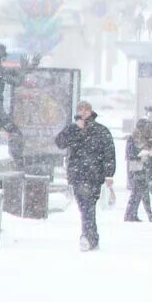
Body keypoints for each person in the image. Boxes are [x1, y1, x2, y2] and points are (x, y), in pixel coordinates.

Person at [54, 101, 116, 251]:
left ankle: (87, 237)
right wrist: (74, 128)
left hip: (94, 174)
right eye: (80, 110)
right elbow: (60, 143)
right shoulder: (73, 129)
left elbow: (109, 153)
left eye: (86, 110)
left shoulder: (101, 130)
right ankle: (91, 237)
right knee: (85, 207)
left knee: (88, 205)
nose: (83, 113)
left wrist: (109, 174)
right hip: (77, 174)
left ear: (91, 111)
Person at [124, 119, 152, 222]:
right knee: (137, 192)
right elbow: (129, 155)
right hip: (135, 168)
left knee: (142, 192)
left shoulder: (148, 139)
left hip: (144, 168)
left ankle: (133, 214)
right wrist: (139, 157)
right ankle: (133, 214)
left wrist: (151, 152)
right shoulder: (132, 139)